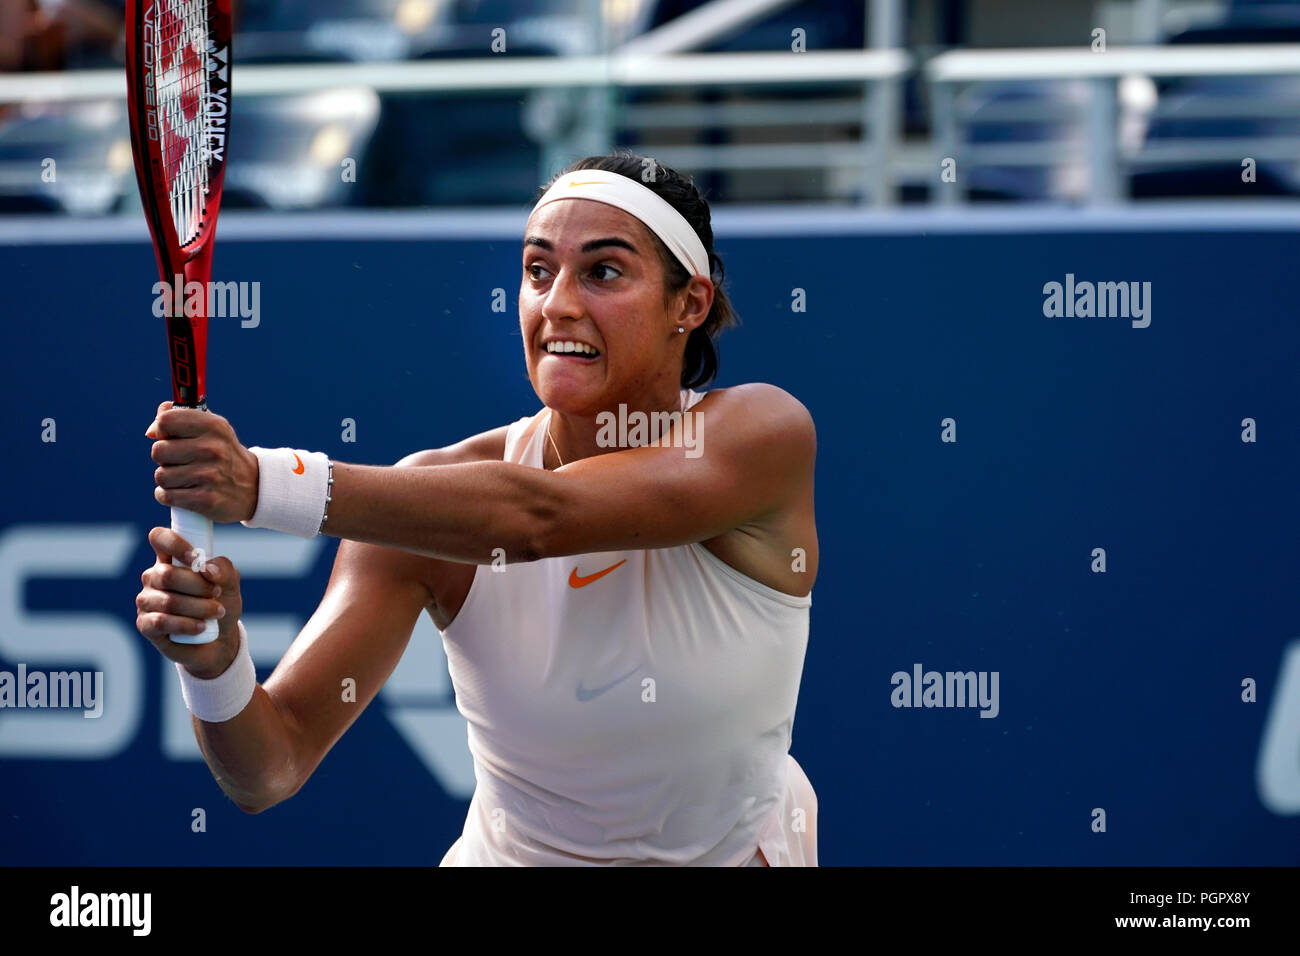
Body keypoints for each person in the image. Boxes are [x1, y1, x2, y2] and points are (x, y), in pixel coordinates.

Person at [135, 151, 820, 866]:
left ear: (691, 303)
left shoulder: (763, 435)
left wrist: (263, 484)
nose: (557, 302)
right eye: (537, 270)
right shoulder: (426, 507)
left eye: (603, 271)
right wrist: (214, 664)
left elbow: (536, 520)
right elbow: (268, 771)